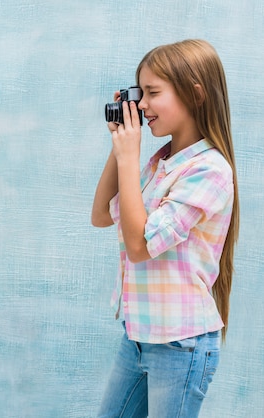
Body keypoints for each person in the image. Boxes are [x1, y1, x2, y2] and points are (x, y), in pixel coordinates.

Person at [91, 39, 239, 417]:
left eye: (153, 93)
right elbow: (101, 215)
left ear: (195, 94)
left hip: (181, 345)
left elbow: (140, 247)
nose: (142, 106)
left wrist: (129, 155)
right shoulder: (161, 163)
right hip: (139, 336)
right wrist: (119, 146)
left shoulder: (210, 170)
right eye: (140, 95)